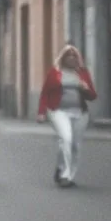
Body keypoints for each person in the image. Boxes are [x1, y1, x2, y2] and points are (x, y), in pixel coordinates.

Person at [37, 44, 97, 188]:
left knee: (75, 145)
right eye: (68, 55)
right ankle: (65, 176)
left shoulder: (82, 73)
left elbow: (93, 96)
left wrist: (85, 89)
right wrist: (41, 112)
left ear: (78, 59)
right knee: (66, 138)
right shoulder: (55, 72)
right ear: (63, 58)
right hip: (58, 111)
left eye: (74, 55)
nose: (71, 58)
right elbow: (45, 93)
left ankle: (66, 171)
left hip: (80, 113)